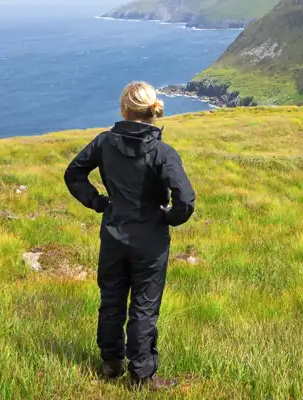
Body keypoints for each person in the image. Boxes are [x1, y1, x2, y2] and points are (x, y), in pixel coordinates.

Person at [64, 81, 195, 390]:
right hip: (150, 240)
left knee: (111, 300)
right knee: (144, 308)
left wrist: (98, 202)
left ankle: (110, 364)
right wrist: (168, 217)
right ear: (152, 110)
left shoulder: (104, 142)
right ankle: (142, 376)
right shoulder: (163, 152)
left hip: (113, 234)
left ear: (124, 109)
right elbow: (185, 200)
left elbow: (74, 174)